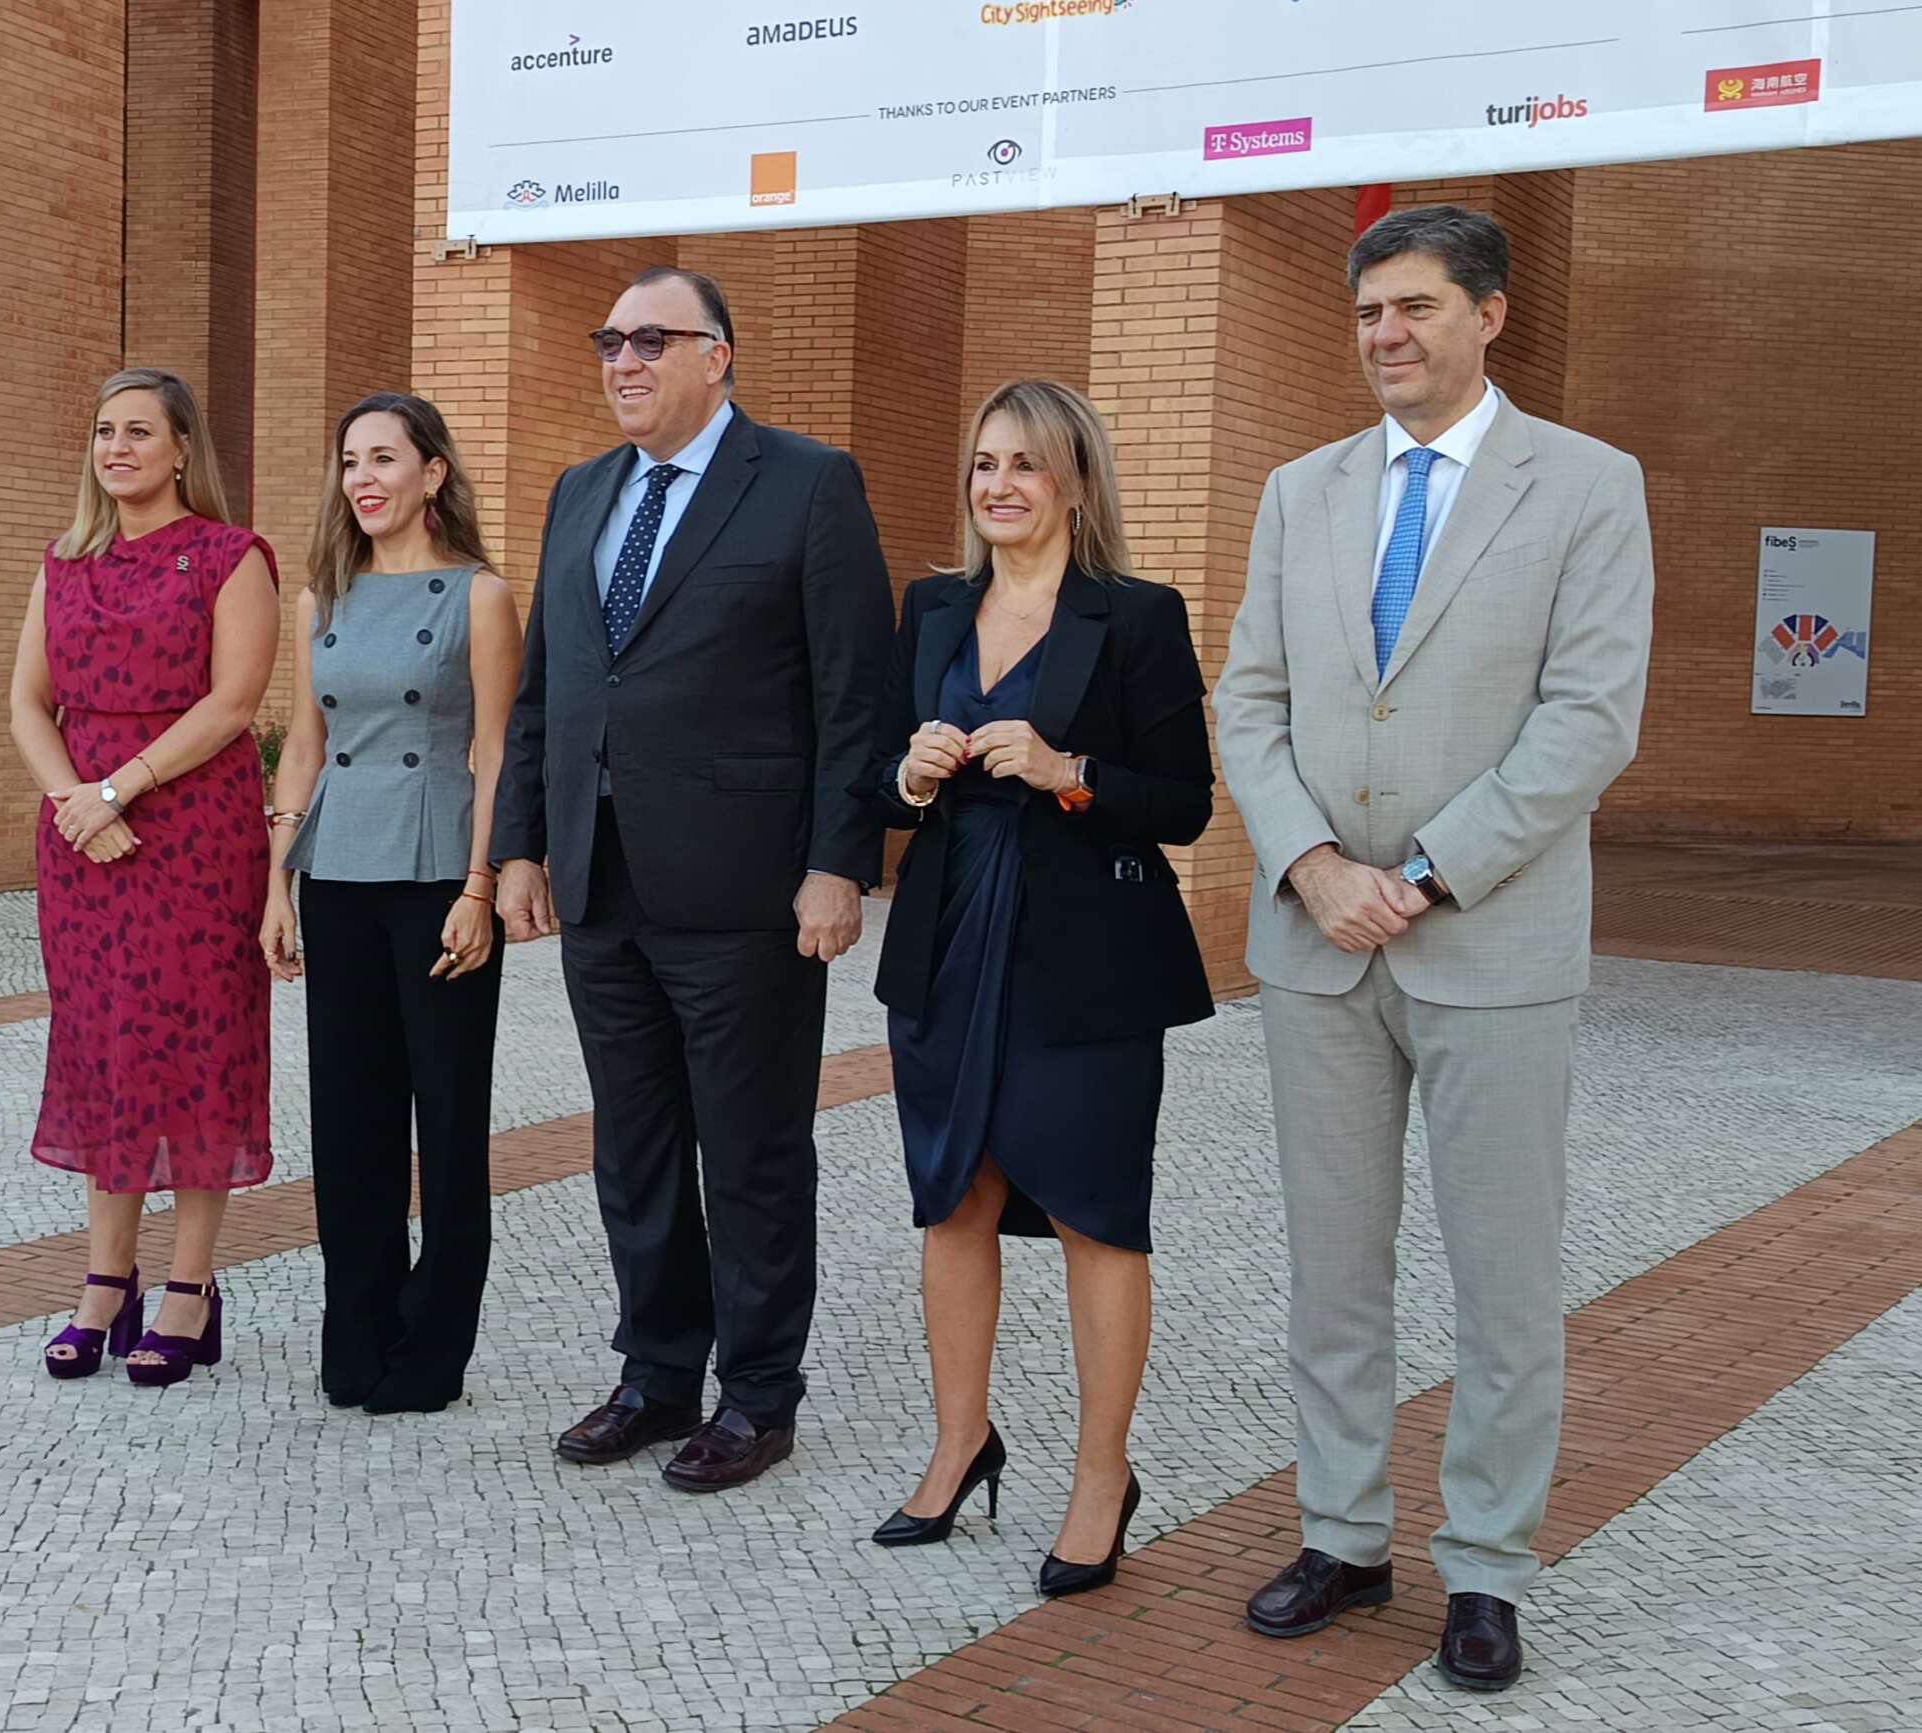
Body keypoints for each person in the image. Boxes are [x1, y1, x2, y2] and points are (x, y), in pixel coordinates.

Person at [1215, 206, 1653, 1690]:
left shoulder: (1588, 486)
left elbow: (1590, 718)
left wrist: (1425, 870)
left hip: (1496, 943)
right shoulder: (1301, 491)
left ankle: (1485, 1568)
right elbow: (1250, 702)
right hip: (1318, 946)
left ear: (1490, 316)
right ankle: (1342, 1534)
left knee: (1503, 1280)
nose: (1385, 334)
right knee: (1332, 1273)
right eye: (1368, 313)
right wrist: (1316, 866)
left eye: (1413, 307)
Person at [492, 266, 892, 1492]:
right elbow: (549, 692)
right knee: (636, 1145)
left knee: (753, 1148)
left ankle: (758, 1391)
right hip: (601, 885)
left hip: (745, 890)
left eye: (650, 340)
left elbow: (852, 695)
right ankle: (656, 1374)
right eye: (610, 339)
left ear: (717, 355)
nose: (622, 359)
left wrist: (837, 865)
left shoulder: (807, 484)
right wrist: (520, 843)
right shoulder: (580, 493)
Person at [861, 381, 1214, 1596]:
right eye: (982, 464)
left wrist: (1070, 770)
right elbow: (869, 775)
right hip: (947, 943)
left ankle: (1101, 1476)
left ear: (1071, 481)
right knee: (951, 1200)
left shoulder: (1137, 615)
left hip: (1084, 958)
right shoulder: (931, 609)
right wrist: (905, 777)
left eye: (1023, 464)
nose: (997, 485)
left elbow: (1184, 801)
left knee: (1092, 1212)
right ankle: (961, 1444)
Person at [10, 366, 281, 1388]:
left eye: (137, 432)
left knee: (191, 1052)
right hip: (82, 842)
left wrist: (116, 790)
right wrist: (74, 802)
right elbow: (27, 703)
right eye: (102, 431)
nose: (115, 447)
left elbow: (233, 704)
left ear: (180, 450)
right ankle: (103, 1279)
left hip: (190, 834)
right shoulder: (63, 562)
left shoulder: (228, 556)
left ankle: (190, 1285)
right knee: (100, 1051)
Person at [259, 392, 522, 1414]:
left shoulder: (479, 595)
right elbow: (305, 743)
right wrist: (276, 885)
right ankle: (355, 1325)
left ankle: (433, 1344)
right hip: (337, 872)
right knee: (350, 1120)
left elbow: (494, 746)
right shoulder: (321, 598)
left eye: (383, 457)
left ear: (432, 474)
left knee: (449, 1121)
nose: (362, 477)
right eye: (349, 460)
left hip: (435, 876)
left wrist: (480, 884)